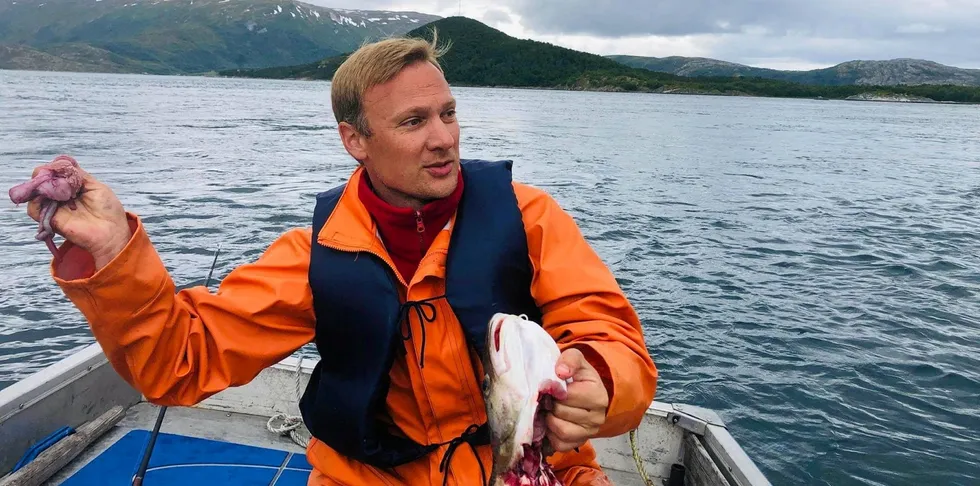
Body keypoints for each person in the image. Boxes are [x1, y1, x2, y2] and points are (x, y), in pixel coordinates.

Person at [23, 32, 658, 485]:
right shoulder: (313, 256)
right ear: (354, 140)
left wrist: (603, 380)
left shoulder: (529, 219)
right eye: (412, 122)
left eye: (448, 112)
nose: (444, 138)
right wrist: (112, 252)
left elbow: (610, 332)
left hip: (537, 469)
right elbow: (179, 363)